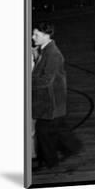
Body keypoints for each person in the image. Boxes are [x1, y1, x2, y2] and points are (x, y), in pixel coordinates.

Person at [32, 22, 81, 170]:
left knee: (43, 131)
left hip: (51, 100)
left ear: (47, 35)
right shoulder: (45, 50)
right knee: (57, 129)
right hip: (52, 100)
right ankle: (72, 148)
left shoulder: (53, 54)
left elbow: (47, 80)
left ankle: (52, 161)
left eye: (36, 35)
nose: (33, 37)